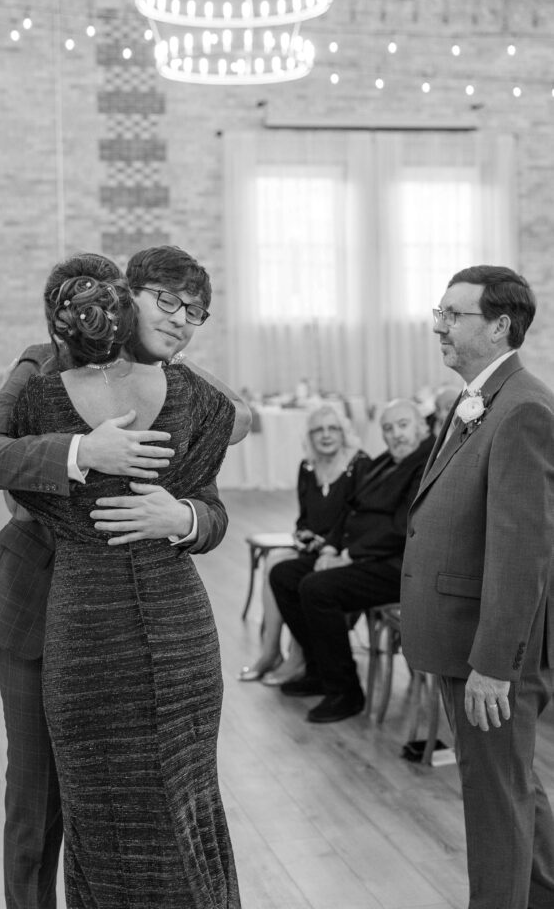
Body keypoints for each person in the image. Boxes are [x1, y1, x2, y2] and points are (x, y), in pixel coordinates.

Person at [0, 247, 249, 909]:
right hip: (42, 608)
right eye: (167, 303)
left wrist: (181, 515)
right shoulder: (42, 360)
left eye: (195, 312)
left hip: (151, 618)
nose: (180, 321)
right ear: (128, 295)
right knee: (40, 805)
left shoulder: (184, 386)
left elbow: (213, 505)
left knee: (147, 792)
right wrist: (80, 451)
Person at [401, 265, 554, 909]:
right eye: (438, 312)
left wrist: (495, 667)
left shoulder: (522, 409)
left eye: (452, 315)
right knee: (511, 785)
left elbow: (522, 557)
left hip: (487, 655)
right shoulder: (477, 399)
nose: (439, 324)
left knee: (492, 801)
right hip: (462, 639)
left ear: (498, 326)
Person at [270, 399, 433, 724]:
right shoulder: (386, 460)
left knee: (318, 589)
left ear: (422, 428)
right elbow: (349, 509)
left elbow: (403, 527)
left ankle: (345, 691)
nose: (396, 435)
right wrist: (330, 549)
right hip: (359, 556)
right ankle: (319, 669)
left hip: (397, 566)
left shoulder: (427, 465)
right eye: (388, 428)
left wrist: (348, 556)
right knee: (284, 575)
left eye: (403, 425)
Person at [237, 401, 370, 685]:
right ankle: (271, 651)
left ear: (344, 432)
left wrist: (328, 543)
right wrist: (303, 534)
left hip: (343, 552)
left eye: (332, 428)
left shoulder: (359, 464)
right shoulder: (307, 466)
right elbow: (304, 519)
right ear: (309, 436)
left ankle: (296, 655)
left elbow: (360, 520)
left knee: (289, 572)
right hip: (313, 548)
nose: (325, 435)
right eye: (318, 430)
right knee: (274, 561)